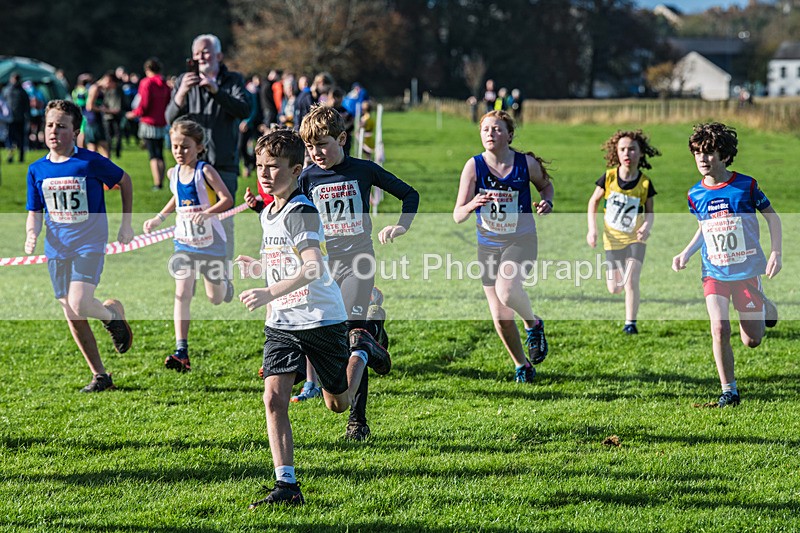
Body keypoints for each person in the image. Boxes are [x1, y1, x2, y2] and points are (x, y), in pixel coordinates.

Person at [240, 129, 390, 507]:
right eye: (260, 167)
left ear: (296, 169)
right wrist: (260, 267)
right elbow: (286, 261)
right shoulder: (269, 211)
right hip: (282, 323)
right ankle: (286, 485)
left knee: (337, 403)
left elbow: (310, 267)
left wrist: (266, 292)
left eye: (273, 168)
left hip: (321, 318)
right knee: (274, 398)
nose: (265, 174)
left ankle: (362, 351)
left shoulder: (301, 209)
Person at [298, 105, 418, 440]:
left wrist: (400, 227)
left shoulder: (363, 170)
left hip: (359, 262)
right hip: (324, 267)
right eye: (309, 147)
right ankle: (375, 337)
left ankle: (357, 421)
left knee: (352, 333)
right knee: (339, 335)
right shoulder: (307, 178)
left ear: (342, 138)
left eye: (322, 144)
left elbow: (409, 194)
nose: (316, 153)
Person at [24, 99, 134, 392]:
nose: (53, 131)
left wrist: (126, 223)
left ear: (75, 131)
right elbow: (35, 210)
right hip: (56, 248)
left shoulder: (89, 161)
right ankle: (100, 375)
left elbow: (125, 180)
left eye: (61, 126)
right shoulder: (36, 170)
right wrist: (31, 234)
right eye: (49, 125)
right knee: (71, 312)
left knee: (80, 302)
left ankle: (112, 316)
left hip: (89, 242)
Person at [672, 122, 781, 408]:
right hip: (714, 271)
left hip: (746, 272)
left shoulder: (746, 185)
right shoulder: (695, 194)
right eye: (697, 154)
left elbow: (773, 218)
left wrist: (776, 253)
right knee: (719, 328)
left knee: (752, 340)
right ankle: (728, 391)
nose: (703, 160)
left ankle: (765, 304)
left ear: (724, 154)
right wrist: (686, 253)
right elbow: (704, 229)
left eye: (709, 153)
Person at [453, 110, 553, 383]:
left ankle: (533, 324)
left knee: (507, 290)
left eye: (497, 129)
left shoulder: (525, 164)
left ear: (509, 135)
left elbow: (546, 186)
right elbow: (457, 214)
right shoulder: (473, 166)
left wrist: (547, 202)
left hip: (521, 240)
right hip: (487, 246)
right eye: (486, 129)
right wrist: (472, 204)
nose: (490, 134)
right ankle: (522, 365)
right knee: (500, 316)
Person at [142, 118, 234, 373]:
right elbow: (176, 197)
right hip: (184, 243)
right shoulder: (173, 173)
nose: (179, 152)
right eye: (175, 147)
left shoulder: (205, 171)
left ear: (199, 147)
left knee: (215, 298)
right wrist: (159, 218)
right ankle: (181, 349)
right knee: (182, 293)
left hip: (211, 244)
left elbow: (227, 198)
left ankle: (225, 284)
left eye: (185, 147)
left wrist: (208, 213)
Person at [165, 33, 251, 263]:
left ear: (219, 56)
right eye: (197, 53)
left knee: (222, 218)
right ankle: (191, 268)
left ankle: (223, 272)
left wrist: (216, 91)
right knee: (188, 216)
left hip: (222, 162)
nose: (201, 56)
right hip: (191, 166)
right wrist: (181, 92)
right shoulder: (184, 80)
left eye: (206, 52)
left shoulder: (232, 80)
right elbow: (169, 118)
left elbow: (244, 110)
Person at [586, 130, 659, 335]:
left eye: (632, 149)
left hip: (636, 239)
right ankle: (628, 315)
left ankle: (630, 323)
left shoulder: (645, 183)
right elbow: (593, 202)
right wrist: (592, 229)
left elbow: (651, 212)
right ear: (616, 153)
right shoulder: (609, 177)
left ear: (640, 153)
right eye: (623, 149)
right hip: (612, 239)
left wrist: (646, 226)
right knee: (615, 288)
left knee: (631, 280)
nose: (627, 153)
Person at [128, 57, 172, 190]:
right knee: (160, 153)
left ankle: (157, 183)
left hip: (149, 122)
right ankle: (163, 182)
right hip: (162, 121)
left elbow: (144, 104)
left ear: (147, 69)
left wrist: (134, 113)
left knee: (153, 154)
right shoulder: (165, 84)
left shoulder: (146, 83)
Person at [84, 71, 117, 158]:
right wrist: (105, 110)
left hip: (94, 121)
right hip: (93, 121)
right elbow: (89, 106)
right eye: (112, 85)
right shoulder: (95, 88)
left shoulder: (98, 89)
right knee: (104, 150)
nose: (110, 88)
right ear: (108, 81)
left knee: (94, 149)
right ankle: (108, 170)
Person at [3, 73, 30, 164]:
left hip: (18, 119)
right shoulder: (8, 90)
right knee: (11, 139)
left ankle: (20, 156)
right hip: (11, 119)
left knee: (18, 139)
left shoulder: (20, 91)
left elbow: (27, 106)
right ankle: (12, 155)